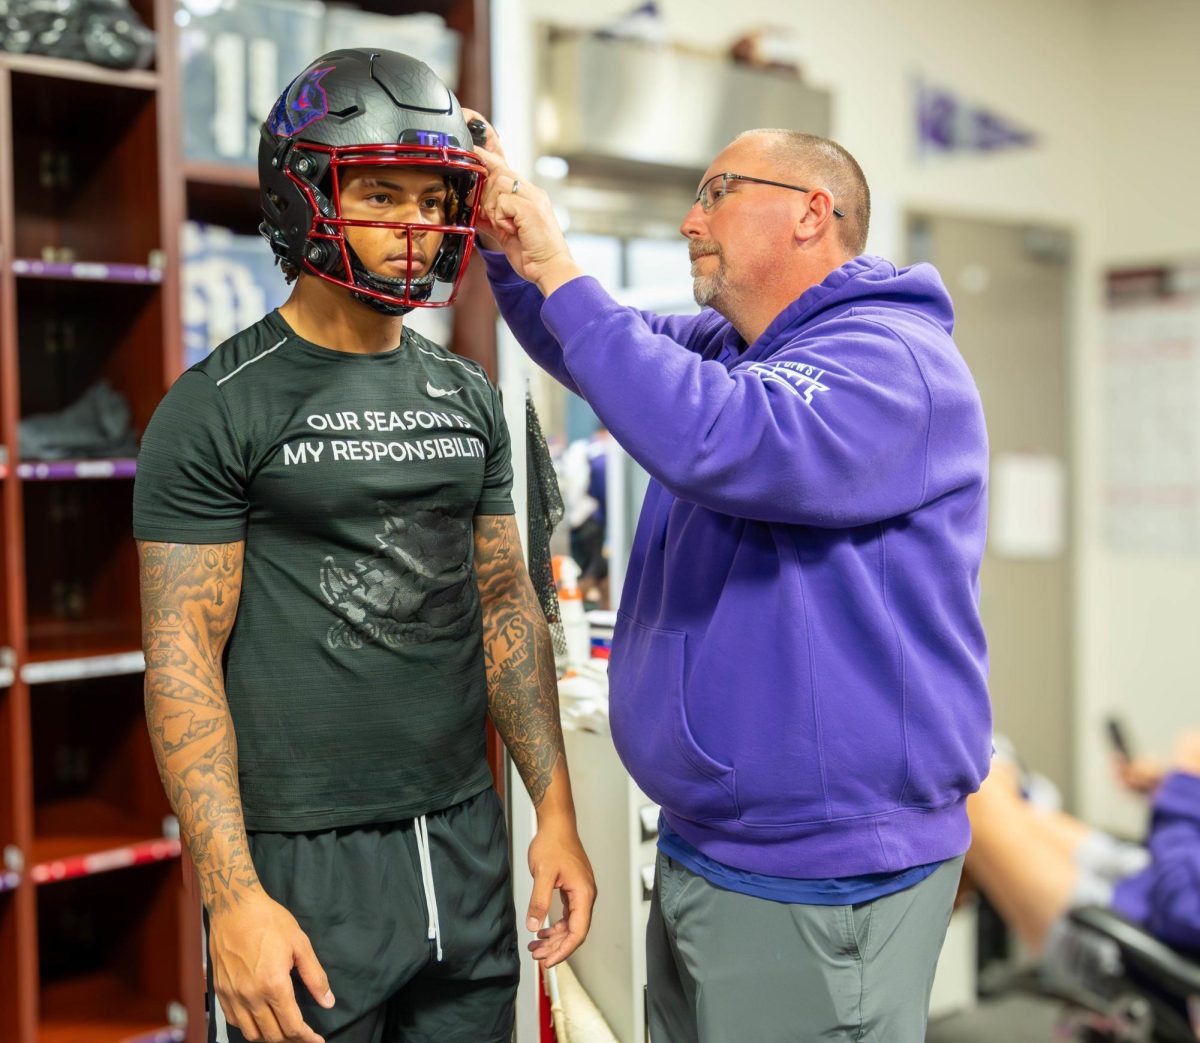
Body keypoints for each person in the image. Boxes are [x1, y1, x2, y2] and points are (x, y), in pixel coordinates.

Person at [466, 115, 992, 1043]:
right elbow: (600, 347)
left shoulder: (891, 363)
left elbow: (718, 436)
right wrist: (508, 247)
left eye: (718, 191)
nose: (688, 221)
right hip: (715, 845)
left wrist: (557, 262)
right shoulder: (741, 348)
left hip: (823, 875)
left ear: (810, 212)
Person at [133, 51, 594, 1043]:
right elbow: (180, 657)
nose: (416, 224)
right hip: (302, 871)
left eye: (435, 198)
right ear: (304, 199)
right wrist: (231, 896)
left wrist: (552, 815)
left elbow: (509, 605)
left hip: (466, 845)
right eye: (380, 192)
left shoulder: (472, 392)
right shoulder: (214, 407)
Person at [966, 733, 1200, 959]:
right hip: (1146, 876)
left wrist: (1184, 785)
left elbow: (1181, 910)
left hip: (1147, 930)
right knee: (1003, 795)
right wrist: (1168, 786)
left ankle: (1019, 803)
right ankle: (1023, 803)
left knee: (972, 796)